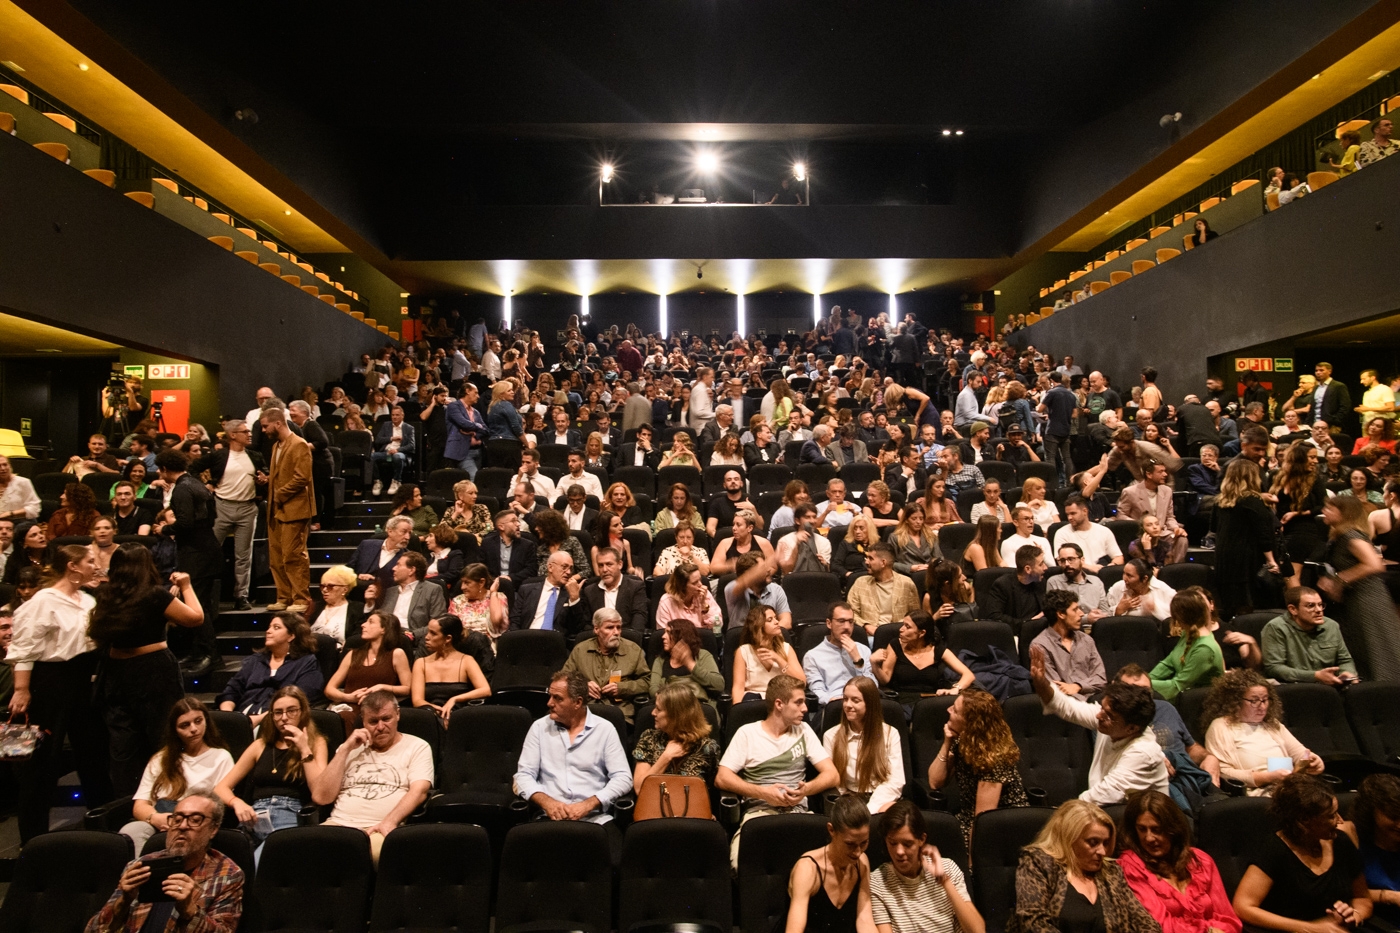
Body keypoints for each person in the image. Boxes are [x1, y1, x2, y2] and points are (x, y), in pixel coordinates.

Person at [8, 544, 113, 843]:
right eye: (90, 561)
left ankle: (102, 823)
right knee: (42, 762)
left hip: (83, 680)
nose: (96, 565)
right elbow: (24, 648)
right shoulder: (43, 601)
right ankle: (33, 838)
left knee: (93, 753)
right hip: (50, 681)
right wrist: (22, 689)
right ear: (73, 566)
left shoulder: (87, 600)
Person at [89, 545, 205, 795]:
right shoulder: (154, 595)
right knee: (162, 737)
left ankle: (128, 803)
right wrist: (186, 586)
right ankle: (164, 799)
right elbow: (195, 618)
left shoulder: (105, 594)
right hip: (153, 671)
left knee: (123, 744)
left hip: (115, 671)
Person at [717, 674, 841, 867]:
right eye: (798, 703)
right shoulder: (748, 733)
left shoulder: (804, 731)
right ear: (779, 704)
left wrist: (805, 790)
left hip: (798, 812)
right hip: (759, 814)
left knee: (828, 862)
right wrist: (763, 793)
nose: (805, 709)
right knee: (739, 863)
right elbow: (722, 778)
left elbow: (832, 775)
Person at [1029, 645, 1169, 805]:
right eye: (1102, 708)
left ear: (1131, 728)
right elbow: (1066, 707)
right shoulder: (1112, 721)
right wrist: (1041, 683)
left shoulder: (1143, 752)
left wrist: (1062, 814)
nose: (1098, 716)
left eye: (1108, 715)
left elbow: (1104, 793)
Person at [1233, 775, 1374, 933]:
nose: (1339, 821)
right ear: (1304, 819)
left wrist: (1353, 916)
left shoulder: (1341, 843)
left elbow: (1362, 898)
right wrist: (1310, 928)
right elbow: (1243, 907)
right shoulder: (1274, 849)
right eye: (1330, 816)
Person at [85, 793, 244, 933]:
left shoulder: (227, 875)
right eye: (177, 819)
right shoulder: (141, 865)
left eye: (195, 820)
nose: (182, 826)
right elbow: (94, 930)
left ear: (213, 829)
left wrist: (190, 912)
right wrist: (124, 901)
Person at [515, 669, 632, 858]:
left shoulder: (604, 729)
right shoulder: (539, 728)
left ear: (577, 702)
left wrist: (589, 804)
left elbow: (623, 778)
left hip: (596, 819)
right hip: (549, 818)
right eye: (550, 696)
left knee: (618, 861)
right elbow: (523, 776)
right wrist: (547, 802)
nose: (549, 703)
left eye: (557, 698)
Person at [311, 690, 433, 864]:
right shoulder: (348, 750)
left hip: (379, 828)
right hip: (337, 825)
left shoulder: (417, 746)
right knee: (303, 852)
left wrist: (389, 822)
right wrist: (345, 749)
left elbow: (420, 791)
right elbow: (321, 797)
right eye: (373, 721)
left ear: (397, 714)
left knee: (371, 855)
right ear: (363, 722)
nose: (381, 726)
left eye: (386, 719)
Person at [1008, 798, 1162, 933]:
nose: (1102, 851)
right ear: (1069, 839)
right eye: (1093, 842)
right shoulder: (1038, 862)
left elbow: (1145, 923)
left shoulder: (1112, 872)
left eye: (1106, 843)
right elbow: (1031, 921)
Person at [214, 685, 326, 861]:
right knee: (230, 865)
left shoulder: (316, 743)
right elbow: (221, 787)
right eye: (278, 712)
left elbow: (320, 792)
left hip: (290, 815)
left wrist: (304, 748)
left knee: (260, 863)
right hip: (254, 817)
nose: (284, 718)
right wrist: (237, 803)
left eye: (291, 711)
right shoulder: (260, 745)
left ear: (303, 712)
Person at [118, 698, 235, 851]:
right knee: (132, 831)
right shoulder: (161, 759)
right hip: (161, 818)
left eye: (198, 721)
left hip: (195, 822)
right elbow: (140, 805)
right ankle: (139, 873)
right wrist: (156, 818)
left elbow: (219, 807)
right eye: (185, 725)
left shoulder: (221, 757)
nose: (193, 729)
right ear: (175, 731)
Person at [1117, 790, 1240, 933]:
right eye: (1142, 829)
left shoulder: (1200, 860)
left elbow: (1229, 920)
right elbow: (1158, 925)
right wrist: (1209, 930)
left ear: (1173, 828)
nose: (1149, 838)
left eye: (1156, 829)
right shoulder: (1131, 865)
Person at [927, 688, 1030, 849]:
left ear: (969, 722)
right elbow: (935, 782)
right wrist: (947, 744)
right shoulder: (963, 739)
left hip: (1002, 827)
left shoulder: (993, 758)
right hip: (968, 818)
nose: (948, 710)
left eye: (954, 710)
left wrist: (972, 867)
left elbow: (982, 821)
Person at [1201, 668, 1325, 796]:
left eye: (1265, 700)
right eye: (1254, 701)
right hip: (1255, 794)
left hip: (1287, 788)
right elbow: (1224, 772)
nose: (1262, 706)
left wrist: (1315, 762)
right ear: (1235, 702)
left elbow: (1301, 753)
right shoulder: (1221, 726)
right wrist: (1268, 777)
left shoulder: (1272, 724)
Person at [871, 800, 986, 933]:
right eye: (892, 843)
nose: (899, 852)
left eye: (907, 844)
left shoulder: (948, 868)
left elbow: (977, 930)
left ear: (921, 839)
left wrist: (944, 880)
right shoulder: (878, 883)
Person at [1320, 496, 1400, 681]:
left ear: (1345, 513)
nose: (1324, 511)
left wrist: (1339, 580)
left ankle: (1387, 691)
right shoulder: (1340, 535)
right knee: (1362, 648)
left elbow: (1374, 564)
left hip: (1368, 600)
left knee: (1378, 648)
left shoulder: (1351, 535)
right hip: (1356, 599)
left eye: (1330, 508)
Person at [783, 793, 877, 933]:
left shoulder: (862, 862)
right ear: (831, 830)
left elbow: (864, 920)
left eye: (864, 843)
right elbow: (794, 930)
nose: (858, 852)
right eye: (850, 844)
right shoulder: (808, 869)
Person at [217, 612, 325, 724]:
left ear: (291, 636)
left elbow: (301, 699)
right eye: (269, 627)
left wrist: (257, 720)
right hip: (243, 717)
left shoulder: (306, 662)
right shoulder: (256, 660)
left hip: (279, 721)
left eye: (276, 627)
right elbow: (232, 690)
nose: (268, 631)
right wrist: (229, 716)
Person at [258, 406, 315, 613]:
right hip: (275, 508)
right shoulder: (276, 446)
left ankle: (301, 598)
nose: (264, 430)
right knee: (276, 556)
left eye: (265, 426)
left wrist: (279, 493)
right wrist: (268, 482)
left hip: (294, 508)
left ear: (278, 423)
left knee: (293, 555)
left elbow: (302, 477)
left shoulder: (299, 445)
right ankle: (283, 596)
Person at [823, 676, 905, 813]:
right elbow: (835, 783)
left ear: (870, 704)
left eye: (855, 700)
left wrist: (870, 809)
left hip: (882, 799)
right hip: (848, 800)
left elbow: (895, 781)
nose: (848, 705)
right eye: (845, 699)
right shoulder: (831, 736)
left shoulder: (890, 733)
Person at [563, 607, 651, 722]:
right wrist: (583, 686)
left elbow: (646, 681)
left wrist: (622, 688)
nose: (616, 632)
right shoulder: (581, 650)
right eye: (610, 628)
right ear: (596, 629)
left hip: (619, 713)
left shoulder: (633, 650)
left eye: (618, 627)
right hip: (585, 710)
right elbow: (563, 678)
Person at [871, 611, 975, 703]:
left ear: (922, 633)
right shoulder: (895, 645)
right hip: (902, 702)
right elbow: (884, 679)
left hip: (930, 703)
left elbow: (968, 675)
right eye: (903, 625)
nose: (901, 629)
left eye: (907, 627)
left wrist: (956, 688)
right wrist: (874, 664)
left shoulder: (938, 650)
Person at [632, 680, 722, 785]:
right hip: (655, 801)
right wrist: (666, 757)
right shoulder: (649, 739)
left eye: (658, 709)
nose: (653, 713)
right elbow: (639, 788)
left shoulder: (707, 748)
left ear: (676, 716)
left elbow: (712, 793)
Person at [1262, 586, 1358, 684]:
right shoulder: (1276, 628)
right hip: (1294, 687)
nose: (1319, 610)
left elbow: (1345, 660)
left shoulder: (1331, 626)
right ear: (1293, 609)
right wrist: (1315, 676)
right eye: (1311, 606)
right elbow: (1274, 668)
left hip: (1330, 686)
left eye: (1320, 605)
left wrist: (1347, 673)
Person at [323, 611, 413, 709]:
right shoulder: (353, 654)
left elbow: (408, 688)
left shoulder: (396, 654)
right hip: (349, 707)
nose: (363, 625)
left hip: (378, 708)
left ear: (384, 629)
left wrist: (382, 687)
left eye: (371, 622)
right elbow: (329, 689)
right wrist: (349, 697)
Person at [410, 615, 490, 722]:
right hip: (430, 718)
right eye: (428, 631)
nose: (426, 637)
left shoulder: (466, 661)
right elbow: (417, 700)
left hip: (459, 717)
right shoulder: (421, 663)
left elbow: (485, 690)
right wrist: (438, 711)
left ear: (448, 638)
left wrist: (454, 699)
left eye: (433, 633)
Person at [1148, 590, 1225, 701]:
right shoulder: (1188, 634)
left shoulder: (1205, 649)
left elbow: (1178, 686)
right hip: (1182, 699)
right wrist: (1144, 679)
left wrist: (1143, 685)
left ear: (1179, 618)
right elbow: (1168, 664)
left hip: (1197, 705)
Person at [1030, 590, 1106, 700]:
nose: (1081, 613)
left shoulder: (1086, 640)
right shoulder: (1040, 646)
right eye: (1075, 610)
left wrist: (1078, 686)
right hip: (1064, 707)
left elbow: (1100, 678)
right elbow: (1055, 689)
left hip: (1094, 702)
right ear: (1061, 614)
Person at [1348, 774, 1400, 924]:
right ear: (1371, 812)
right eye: (1393, 816)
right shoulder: (1352, 841)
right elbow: (1341, 892)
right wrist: (1391, 896)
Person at [1117, 462, 1189, 564]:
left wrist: (1176, 528)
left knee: (1182, 539)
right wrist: (1141, 524)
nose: (1165, 474)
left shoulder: (1167, 491)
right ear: (1149, 474)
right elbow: (1121, 515)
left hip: (1162, 532)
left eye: (1165, 471)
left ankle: (1173, 570)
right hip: (1143, 534)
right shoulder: (1130, 492)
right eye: (1161, 472)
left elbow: (1169, 516)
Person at [805, 602, 875, 704]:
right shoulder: (812, 656)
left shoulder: (863, 650)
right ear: (829, 623)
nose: (847, 626)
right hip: (834, 704)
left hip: (863, 703)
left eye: (850, 622)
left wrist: (858, 662)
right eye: (841, 621)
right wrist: (830, 700)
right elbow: (817, 690)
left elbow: (872, 686)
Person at [848, 542, 921, 637]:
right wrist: (866, 625)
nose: (866, 562)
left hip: (898, 636)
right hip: (869, 636)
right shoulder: (860, 583)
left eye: (870, 558)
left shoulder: (906, 583)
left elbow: (915, 614)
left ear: (883, 563)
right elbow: (850, 612)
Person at [734, 605, 804, 701]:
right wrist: (737, 710)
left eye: (775, 618)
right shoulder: (743, 651)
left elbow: (802, 682)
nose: (776, 622)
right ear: (759, 625)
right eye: (770, 620)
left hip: (780, 699)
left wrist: (779, 659)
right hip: (753, 700)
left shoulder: (786, 648)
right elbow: (738, 688)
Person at [650, 617, 723, 706]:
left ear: (681, 636)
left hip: (699, 705)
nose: (663, 636)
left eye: (669, 632)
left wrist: (690, 664)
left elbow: (719, 685)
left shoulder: (702, 655)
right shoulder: (660, 660)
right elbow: (653, 688)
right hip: (670, 706)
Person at [982, 544, 1048, 634]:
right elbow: (994, 616)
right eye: (1041, 564)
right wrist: (1027, 624)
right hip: (1014, 634)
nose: (1045, 568)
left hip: (1039, 632)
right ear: (1027, 569)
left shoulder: (1040, 581)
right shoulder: (1003, 585)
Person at [1053, 495, 1124, 572]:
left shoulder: (1104, 531)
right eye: (1067, 514)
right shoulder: (1062, 533)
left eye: (1073, 513)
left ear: (1085, 511)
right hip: (1077, 573)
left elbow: (1118, 557)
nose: (1069, 517)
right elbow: (1061, 561)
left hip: (1102, 572)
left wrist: (1107, 569)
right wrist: (1090, 568)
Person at [1103, 560, 1176, 622]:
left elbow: (1177, 616)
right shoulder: (1118, 587)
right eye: (1124, 573)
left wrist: (1155, 608)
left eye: (1129, 575)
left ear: (1144, 579)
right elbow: (1105, 614)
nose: (1124, 578)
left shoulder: (1163, 589)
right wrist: (1118, 610)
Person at [0, 454, 42, 522]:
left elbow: (35, 508)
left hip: (18, 522)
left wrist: (10, 513)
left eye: (5, 465)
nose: (3, 469)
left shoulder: (23, 482)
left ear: (10, 466)